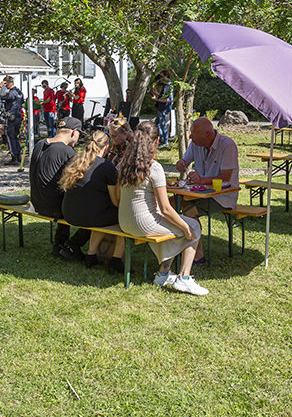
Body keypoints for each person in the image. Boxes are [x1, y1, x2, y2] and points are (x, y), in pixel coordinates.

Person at [118, 121, 208, 296]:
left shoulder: (124, 163)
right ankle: (184, 278)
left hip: (125, 221)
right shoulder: (154, 167)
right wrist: (185, 227)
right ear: (157, 141)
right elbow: (165, 208)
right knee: (193, 226)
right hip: (144, 223)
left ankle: (163, 274)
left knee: (174, 225)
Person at [59, 130, 126, 274]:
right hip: (90, 217)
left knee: (99, 215)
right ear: (106, 148)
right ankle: (116, 260)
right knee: (125, 220)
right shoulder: (106, 166)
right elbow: (115, 202)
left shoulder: (76, 160)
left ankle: (91, 255)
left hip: (68, 213)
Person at [174, 117, 239, 263]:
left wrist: (202, 180)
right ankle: (174, 246)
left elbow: (226, 177)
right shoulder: (197, 143)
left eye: (193, 134)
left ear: (208, 135)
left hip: (223, 196)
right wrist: (181, 164)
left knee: (188, 212)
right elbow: (185, 161)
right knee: (172, 204)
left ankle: (198, 255)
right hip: (199, 192)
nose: (190, 137)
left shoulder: (227, 145)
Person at [30, 116, 89, 258]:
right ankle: (72, 245)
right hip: (55, 208)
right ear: (74, 132)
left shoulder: (40, 144)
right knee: (95, 210)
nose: (78, 139)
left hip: (37, 202)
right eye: (79, 134)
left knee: (63, 194)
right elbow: (80, 181)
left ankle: (59, 242)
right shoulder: (67, 152)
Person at [0, 75, 24, 166]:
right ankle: (18, 155)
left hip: (11, 117)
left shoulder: (11, 93)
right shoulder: (19, 92)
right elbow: (22, 104)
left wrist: (0, 87)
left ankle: (14, 156)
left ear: (6, 83)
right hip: (18, 116)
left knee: (10, 136)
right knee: (16, 136)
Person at [152, 71, 173, 148]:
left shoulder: (168, 86)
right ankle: (160, 139)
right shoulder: (165, 85)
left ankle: (165, 141)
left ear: (165, 76)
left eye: (161, 76)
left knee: (163, 125)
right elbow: (162, 97)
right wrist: (157, 94)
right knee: (156, 124)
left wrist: (156, 99)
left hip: (164, 109)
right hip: (161, 108)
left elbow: (167, 100)